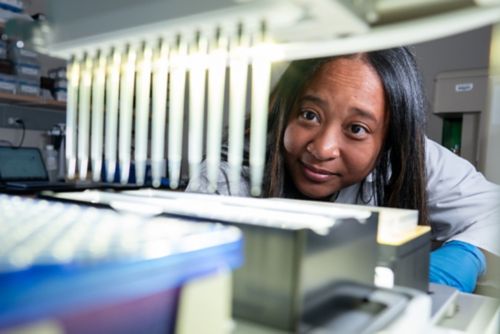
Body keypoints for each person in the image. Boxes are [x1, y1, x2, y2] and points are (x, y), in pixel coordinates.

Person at [186, 47, 500, 293]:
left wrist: (467, 254)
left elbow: (493, 210)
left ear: (390, 137)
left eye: (357, 128)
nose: (322, 148)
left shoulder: (407, 156)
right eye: (309, 114)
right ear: (285, 108)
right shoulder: (227, 180)